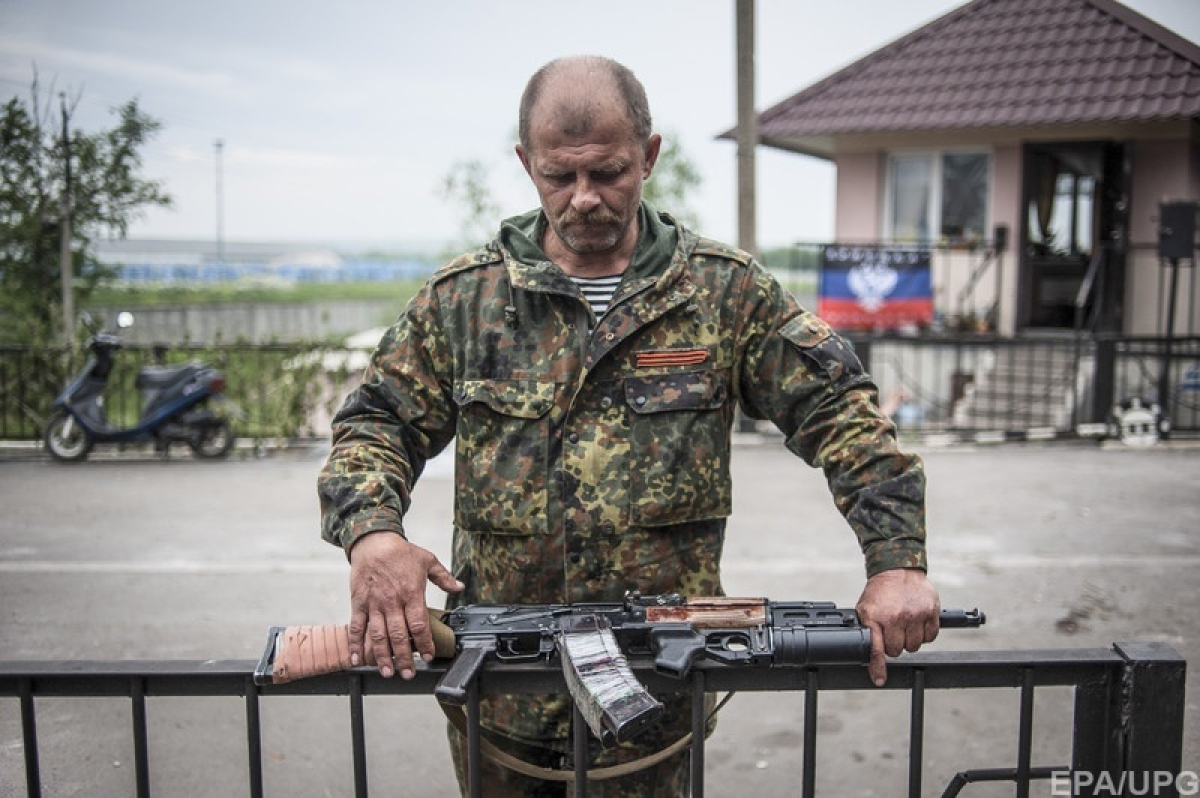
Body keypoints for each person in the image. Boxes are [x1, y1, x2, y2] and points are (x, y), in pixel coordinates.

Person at [318, 54, 940, 797]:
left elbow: (843, 414)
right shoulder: (465, 301)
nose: (584, 198)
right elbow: (376, 423)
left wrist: (897, 560)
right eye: (559, 176)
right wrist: (374, 533)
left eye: (608, 172)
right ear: (527, 164)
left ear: (648, 156)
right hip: (502, 696)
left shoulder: (723, 293)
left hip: (656, 698)